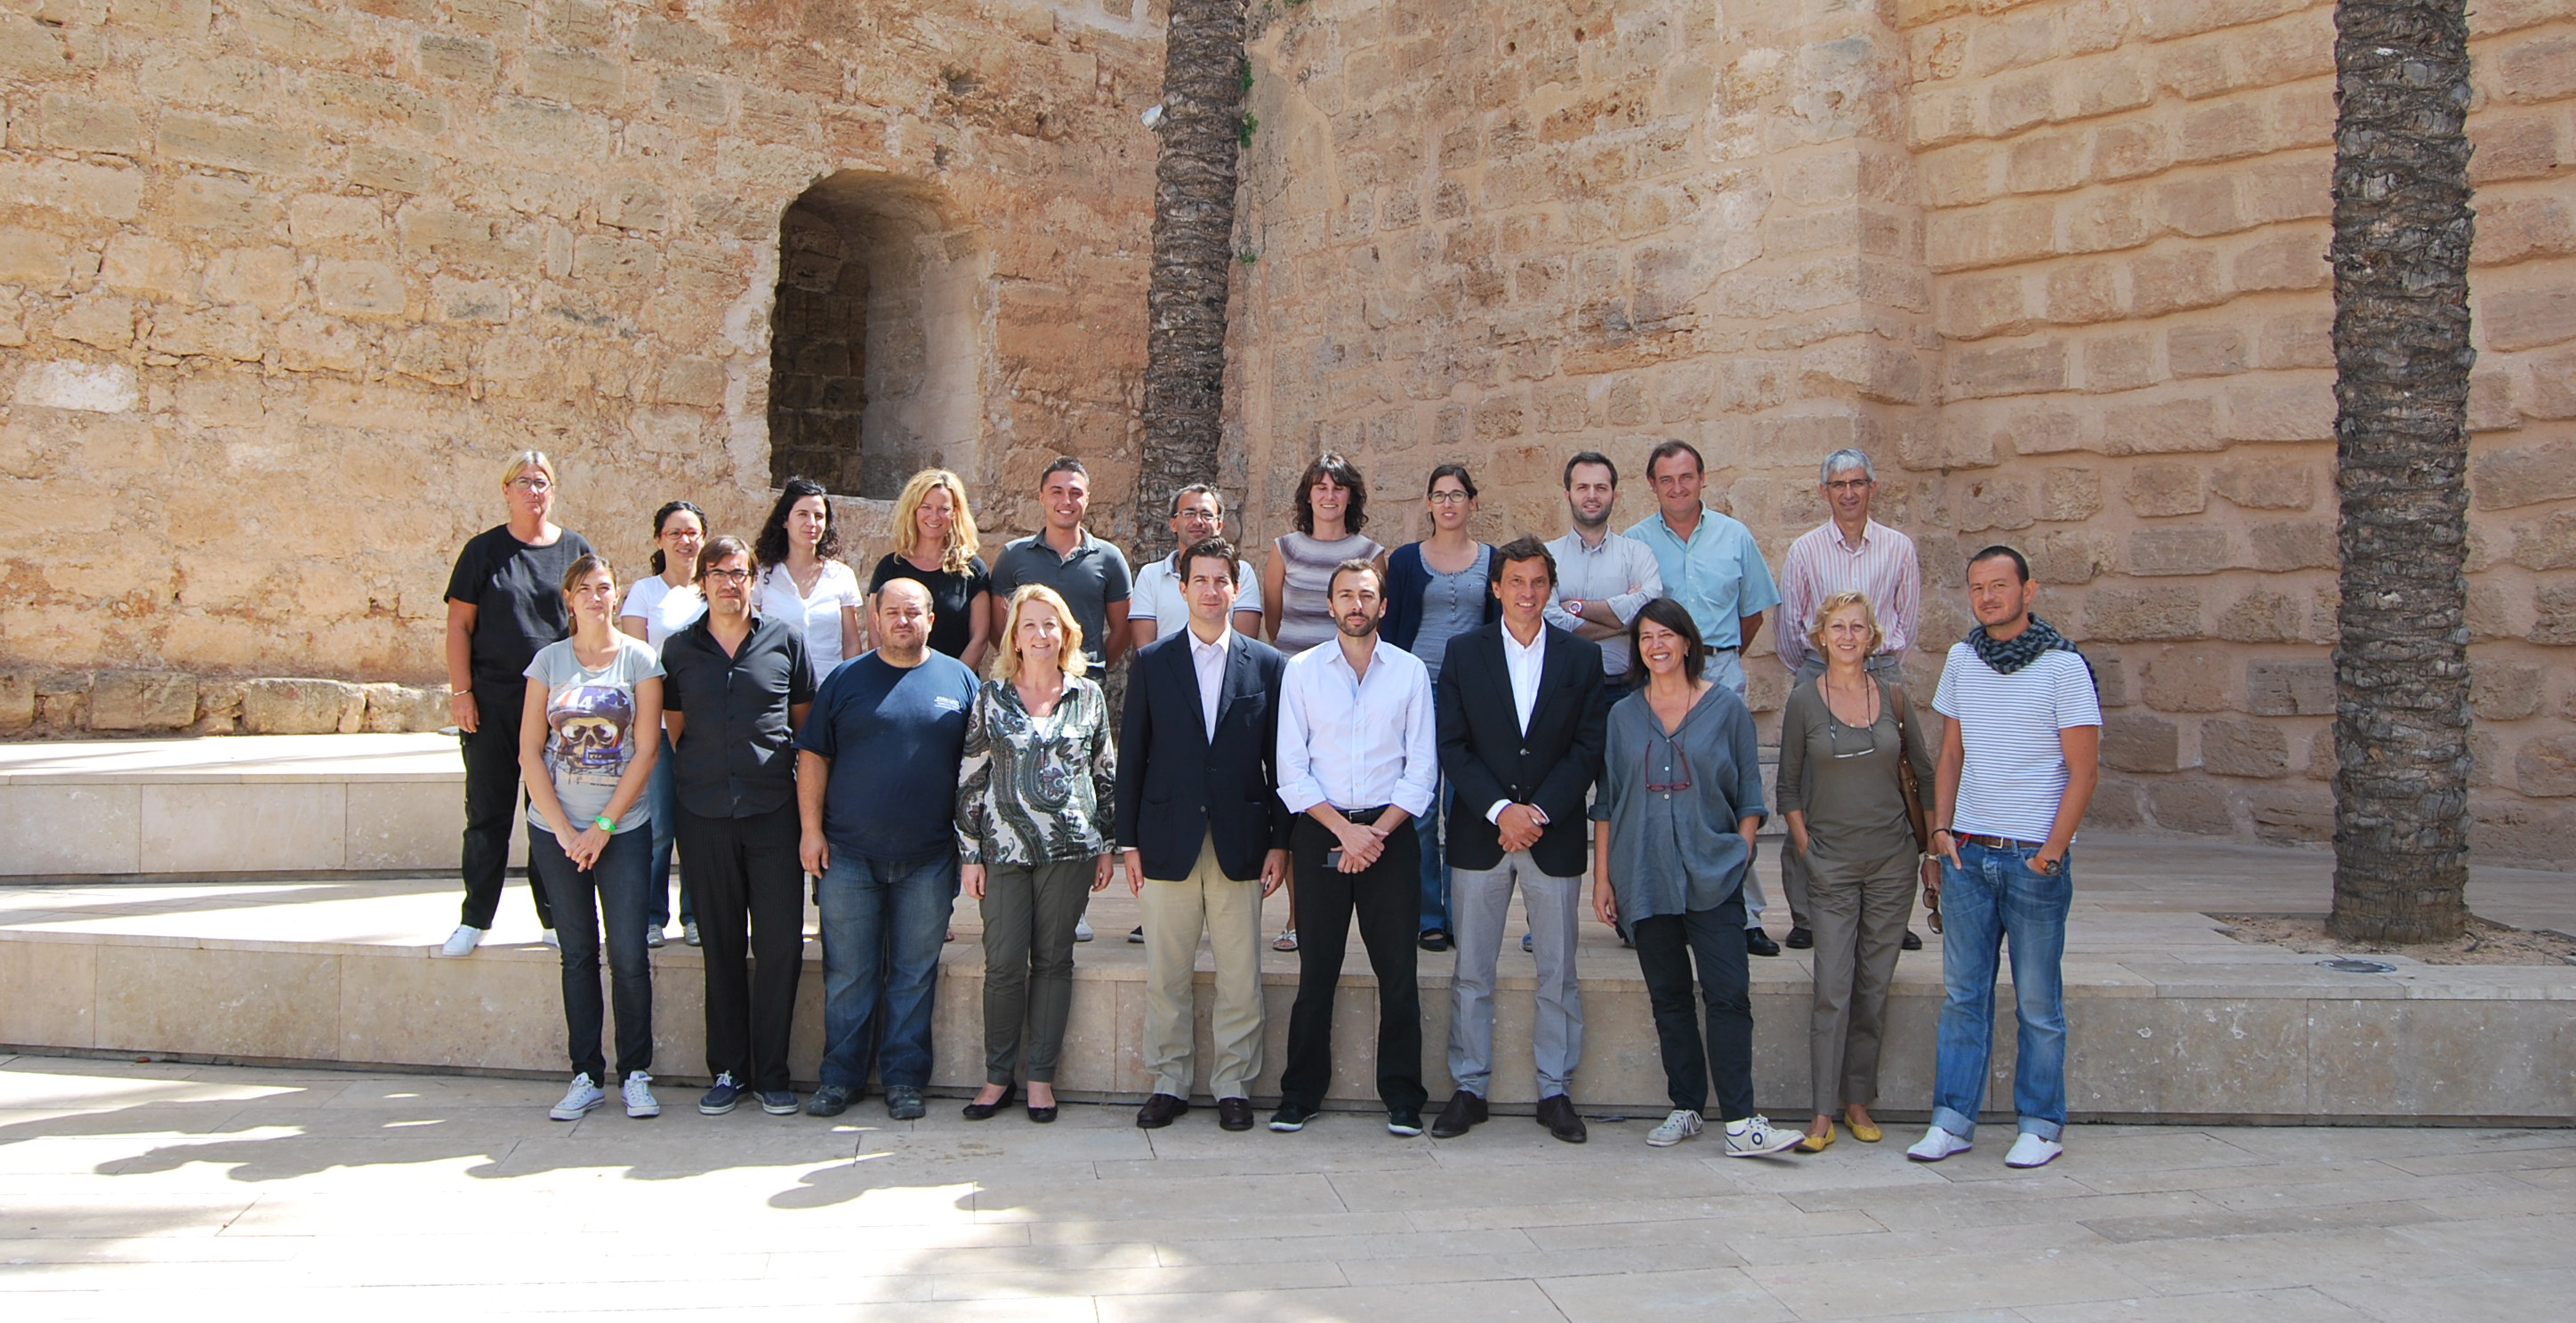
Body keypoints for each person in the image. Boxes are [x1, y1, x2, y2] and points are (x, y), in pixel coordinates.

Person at [1909, 546, 2101, 1171]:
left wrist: (2051, 852)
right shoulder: (1963, 659)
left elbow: (2083, 769)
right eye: (1977, 587)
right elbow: (1952, 753)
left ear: (2028, 589)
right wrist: (1941, 832)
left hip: (2030, 859)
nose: (1988, 596)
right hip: (1969, 853)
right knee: (1963, 995)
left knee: (2038, 1001)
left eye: (2000, 585)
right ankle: (1952, 1119)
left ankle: (2041, 1124)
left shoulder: (2064, 666)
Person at [1589, 599, 1799, 1157]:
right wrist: (1603, 879)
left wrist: (1741, 853)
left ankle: (1741, 1120)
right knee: (1670, 998)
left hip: (1713, 872)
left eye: (1666, 635)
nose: (1656, 646)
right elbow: (1608, 801)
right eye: (1645, 637)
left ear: (1687, 642)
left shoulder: (1725, 708)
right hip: (1645, 871)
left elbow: (1751, 795)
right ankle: (1685, 1107)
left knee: (1729, 995)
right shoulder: (1623, 716)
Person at [1430, 536, 1606, 1145]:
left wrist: (1539, 812)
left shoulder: (1580, 660)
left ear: (1548, 587)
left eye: (1538, 582)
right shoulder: (1463, 653)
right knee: (1472, 969)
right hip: (1484, 834)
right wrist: (1504, 810)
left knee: (1557, 970)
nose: (1527, 593)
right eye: (1516, 581)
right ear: (1497, 587)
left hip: (1552, 837)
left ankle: (1554, 1089)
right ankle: (1469, 1086)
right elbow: (1452, 744)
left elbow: (1588, 746)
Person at [1115, 537, 1292, 1133]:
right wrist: (1128, 843)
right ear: (1183, 588)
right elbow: (1132, 756)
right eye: (1202, 580)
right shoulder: (1154, 662)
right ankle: (1169, 1079)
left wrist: (1281, 842)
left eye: (1223, 580)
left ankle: (1233, 1083)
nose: (1213, 590)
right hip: (1166, 837)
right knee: (1168, 970)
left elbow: (1281, 765)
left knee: (1240, 971)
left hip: (1242, 839)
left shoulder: (1268, 665)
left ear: (1236, 588)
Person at [795, 579, 982, 1121]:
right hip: (848, 855)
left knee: (913, 974)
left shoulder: (960, 680)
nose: (903, 620)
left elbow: (976, 771)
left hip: (929, 857)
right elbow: (813, 758)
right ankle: (840, 1078)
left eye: (914, 612)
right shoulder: (845, 680)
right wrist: (811, 831)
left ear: (930, 619)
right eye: (893, 611)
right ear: (874, 617)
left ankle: (904, 1079)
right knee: (848, 974)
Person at [1269, 559, 1437, 1137]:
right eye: (1346, 595)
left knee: (1398, 971)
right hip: (1322, 831)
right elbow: (1291, 769)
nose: (1356, 604)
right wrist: (1345, 832)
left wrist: (1375, 834)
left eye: (1367, 595)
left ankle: (1403, 1096)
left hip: (1391, 835)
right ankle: (1300, 1093)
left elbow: (1421, 772)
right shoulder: (1302, 671)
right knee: (1318, 968)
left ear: (1383, 605)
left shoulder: (1410, 672)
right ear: (1331, 605)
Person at [659, 535, 814, 1118]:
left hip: (772, 813)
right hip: (703, 816)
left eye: (741, 572)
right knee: (720, 946)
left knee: (779, 947)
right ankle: (728, 1069)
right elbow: (676, 727)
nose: (730, 582)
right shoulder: (678, 650)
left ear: (754, 580)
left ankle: (772, 1072)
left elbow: (802, 724)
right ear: (701, 581)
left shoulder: (785, 643)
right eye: (718, 572)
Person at [955, 586, 1120, 1124]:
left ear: (1066, 632)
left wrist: (1107, 848)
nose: (1041, 634)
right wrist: (970, 852)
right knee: (1003, 963)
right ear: (1015, 638)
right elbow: (971, 775)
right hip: (1003, 847)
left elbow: (1104, 774)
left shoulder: (1087, 695)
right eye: (1030, 625)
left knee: (1053, 962)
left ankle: (1041, 1079)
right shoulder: (991, 695)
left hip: (1071, 849)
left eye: (1051, 624)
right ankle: (997, 1077)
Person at [1776, 592, 1933, 1154]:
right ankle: (1821, 1111)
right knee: (1832, 988)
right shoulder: (1802, 700)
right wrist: (1806, 849)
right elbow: (1788, 788)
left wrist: (1931, 849)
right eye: (1837, 627)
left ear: (1873, 637)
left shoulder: (1894, 695)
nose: (1847, 636)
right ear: (1820, 636)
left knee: (1874, 985)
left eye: (1857, 627)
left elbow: (1925, 771)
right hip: (1832, 863)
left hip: (1893, 862)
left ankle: (1858, 1101)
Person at [518, 554, 664, 1122]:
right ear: (569, 599)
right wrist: (562, 828)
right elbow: (531, 750)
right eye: (586, 590)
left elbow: (647, 749)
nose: (597, 598)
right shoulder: (548, 662)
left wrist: (601, 827)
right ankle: (585, 1074)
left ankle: (636, 1074)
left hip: (621, 830)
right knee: (577, 955)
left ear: (616, 594)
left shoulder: (640, 660)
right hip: (556, 831)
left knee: (628, 955)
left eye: (605, 588)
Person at [1627, 440, 1784, 957]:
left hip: (1717, 671)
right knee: (1658, 798)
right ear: (1652, 484)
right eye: (1666, 479)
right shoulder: (1636, 544)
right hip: (1659, 682)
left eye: (1686, 477)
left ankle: (1746, 915)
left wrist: (1712, 656)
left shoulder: (1735, 537)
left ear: (1702, 478)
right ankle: (1654, 910)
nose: (1677, 488)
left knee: (1731, 794)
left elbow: (1754, 611)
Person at [440, 450, 593, 957]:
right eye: (523, 482)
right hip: (491, 703)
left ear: (554, 491)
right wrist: (462, 693)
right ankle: (474, 918)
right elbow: (459, 625)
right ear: (506, 491)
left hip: (557, 708)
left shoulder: (574, 550)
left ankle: (553, 917)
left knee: (549, 816)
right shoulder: (482, 551)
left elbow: (589, 622)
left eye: (543, 482)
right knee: (487, 814)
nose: (534, 491)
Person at [1773, 448, 1925, 955]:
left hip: (1881, 669)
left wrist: (1873, 659)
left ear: (1872, 487)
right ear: (1824, 493)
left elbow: (1908, 617)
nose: (1849, 492)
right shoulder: (1805, 550)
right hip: (1817, 672)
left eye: (1857, 482)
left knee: (1892, 787)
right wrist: (1822, 670)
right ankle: (1806, 916)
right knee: (1807, 788)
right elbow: (1792, 627)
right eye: (1838, 485)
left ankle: (1890, 911)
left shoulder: (1899, 547)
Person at [1260, 452, 1385, 952]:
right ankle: (1295, 918)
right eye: (1320, 487)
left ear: (1350, 496)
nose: (1329, 496)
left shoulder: (1372, 551)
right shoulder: (1283, 549)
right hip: (1296, 686)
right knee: (1295, 802)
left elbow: (1372, 619)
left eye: (1338, 487)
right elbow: (1274, 619)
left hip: (1352, 692)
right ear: (1307, 495)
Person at [1383, 464, 1495, 954]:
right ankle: (1429, 915)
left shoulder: (1494, 560)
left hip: (1474, 695)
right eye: (1439, 495)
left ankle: (1464, 915)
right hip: (1420, 689)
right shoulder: (1407, 560)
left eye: (1458, 494)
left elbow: (1499, 630)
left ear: (1473, 501)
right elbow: (1392, 631)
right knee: (1422, 807)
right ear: (1427, 504)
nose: (1449, 504)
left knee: (1465, 806)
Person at [619, 500, 708, 948]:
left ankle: (694, 913)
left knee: (696, 822)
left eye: (692, 532)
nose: (684, 540)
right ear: (659, 540)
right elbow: (635, 661)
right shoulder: (644, 593)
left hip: (705, 725)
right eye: (674, 533)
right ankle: (651, 914)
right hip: (655, 724)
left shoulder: (713, 590)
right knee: (657, 825)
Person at [990, 456, 1132, 674]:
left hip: (1085, 681)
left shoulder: (1109, 558)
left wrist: (1093, 667)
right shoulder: (1013, 555)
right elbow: (998, 627)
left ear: (1087, 499)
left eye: (1076, 493)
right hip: (1026, 681)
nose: (1066, 501)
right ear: (1042, 498)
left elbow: (1123, 630)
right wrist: (1022, 663)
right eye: (1057, 492)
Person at [1542, 451, 1662, 704]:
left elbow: (1649, 608)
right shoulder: (1546, 556)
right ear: (1568, 495)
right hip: (1564, 690)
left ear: (1614, 495)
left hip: (1628, 690)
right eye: (1582, 487)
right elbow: (1549, 622)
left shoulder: (1637, 553)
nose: (1592, 496)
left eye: (1601, 487)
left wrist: (1575, 608)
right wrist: (1624, 625)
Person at [867, 468, 994, 672]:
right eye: (926, 507)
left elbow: (979, 640)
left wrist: (953, 683)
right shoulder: (890, 568)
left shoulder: (971, 570)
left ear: (954, 513)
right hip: (895, 683)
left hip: (953, 688)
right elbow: (876, 634)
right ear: (914, 510)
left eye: (943, 509)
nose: (934, 516)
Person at [755, 476, 864, 688]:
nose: (811, 523)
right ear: (786, 520)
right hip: (776, 689)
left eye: (818, 516)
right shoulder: (762, 576)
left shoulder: (841, 576)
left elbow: (851, 642)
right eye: (802, 514)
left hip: (828, 690)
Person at [1128, 484, 1265, 649]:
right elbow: (1144, 649)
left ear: (1219, 526)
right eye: (1189, 513)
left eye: (1207, 515)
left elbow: (1245, 647)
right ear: (1173, 524)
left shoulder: (1242, 572)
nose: (1198, 521)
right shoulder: (1151, 576)